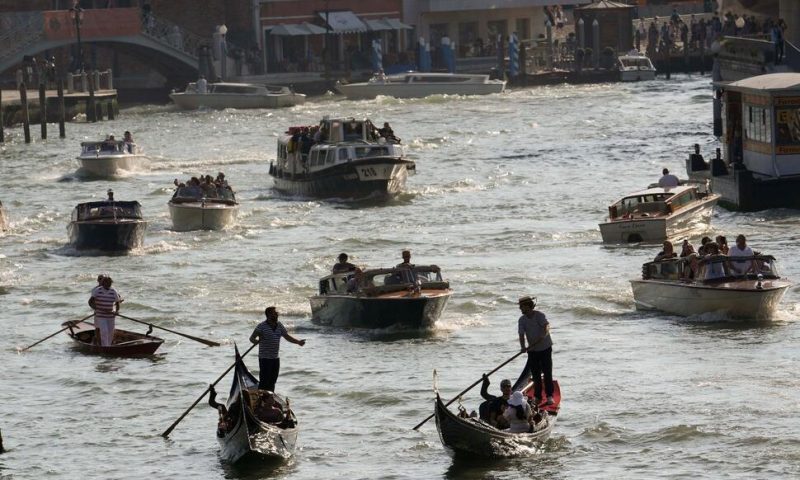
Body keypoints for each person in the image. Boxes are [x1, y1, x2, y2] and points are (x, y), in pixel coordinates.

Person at [249, 306, 306, 392]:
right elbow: (252, 338)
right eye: (275, 313)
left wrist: (298, 342)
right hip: (265, 358)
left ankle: (269, 399)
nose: (277, 314)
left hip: (275, 358)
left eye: (276, 313)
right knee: (264, 382)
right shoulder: (261, 326)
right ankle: (261, 400)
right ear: (268, 315)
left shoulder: (279, 325)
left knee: (272, 381)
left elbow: (286, 336)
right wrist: (257, 342)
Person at [517, 296, 554, 405]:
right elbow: (521, 334)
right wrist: (523, 347)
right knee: (535, 374)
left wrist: (544, 334)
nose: (521, 309)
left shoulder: (539, 315)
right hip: (532, 349)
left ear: (528, 306)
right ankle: (538, 397)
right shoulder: (522, 320)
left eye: (522, 307)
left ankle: (549, 396)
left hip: (545, 348)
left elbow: (546, 326)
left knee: (547, 372)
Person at [88, 276, 122, 346]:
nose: (109, 284)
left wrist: (116, 311)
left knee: (110, 332)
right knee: (104, 331)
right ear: (103, 283)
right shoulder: (97, 290)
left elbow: (117, 303)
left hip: (111, 315)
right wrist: (96, 308)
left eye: (110, 283)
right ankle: (104, 346)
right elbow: (90, 302)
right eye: (107, 282)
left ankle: (108, 346)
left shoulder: (113, 291)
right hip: (100, 315)